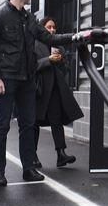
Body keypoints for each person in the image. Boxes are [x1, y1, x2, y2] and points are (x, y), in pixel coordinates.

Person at [0, 0, 73, 187]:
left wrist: (75, 37)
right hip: (6, 80)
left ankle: (29, 169)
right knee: (1, 125)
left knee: (28, 125)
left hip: (28, 79)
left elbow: (49, 39)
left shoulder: (29, 18)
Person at [33, 16, 84, 168]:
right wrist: (48, 59)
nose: (52, 30)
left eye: (54, 27)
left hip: (55, 89)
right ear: (42, 28)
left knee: (57, 121)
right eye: (49, 27)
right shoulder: (34, 45)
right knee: (34, 123)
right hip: (39, 90)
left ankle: (61, 154)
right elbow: (31, 66)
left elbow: (66, 69)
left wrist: (60, 61)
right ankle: (32, 155)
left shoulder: (59, 47)